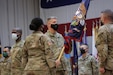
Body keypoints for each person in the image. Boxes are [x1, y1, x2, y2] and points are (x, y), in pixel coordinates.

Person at [96, 9, 113, 75]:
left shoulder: (103, 29)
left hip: (108, 67)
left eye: (101, 17)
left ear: (104, 17)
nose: (100, 19)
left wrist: (101, 65)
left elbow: (103, 49)